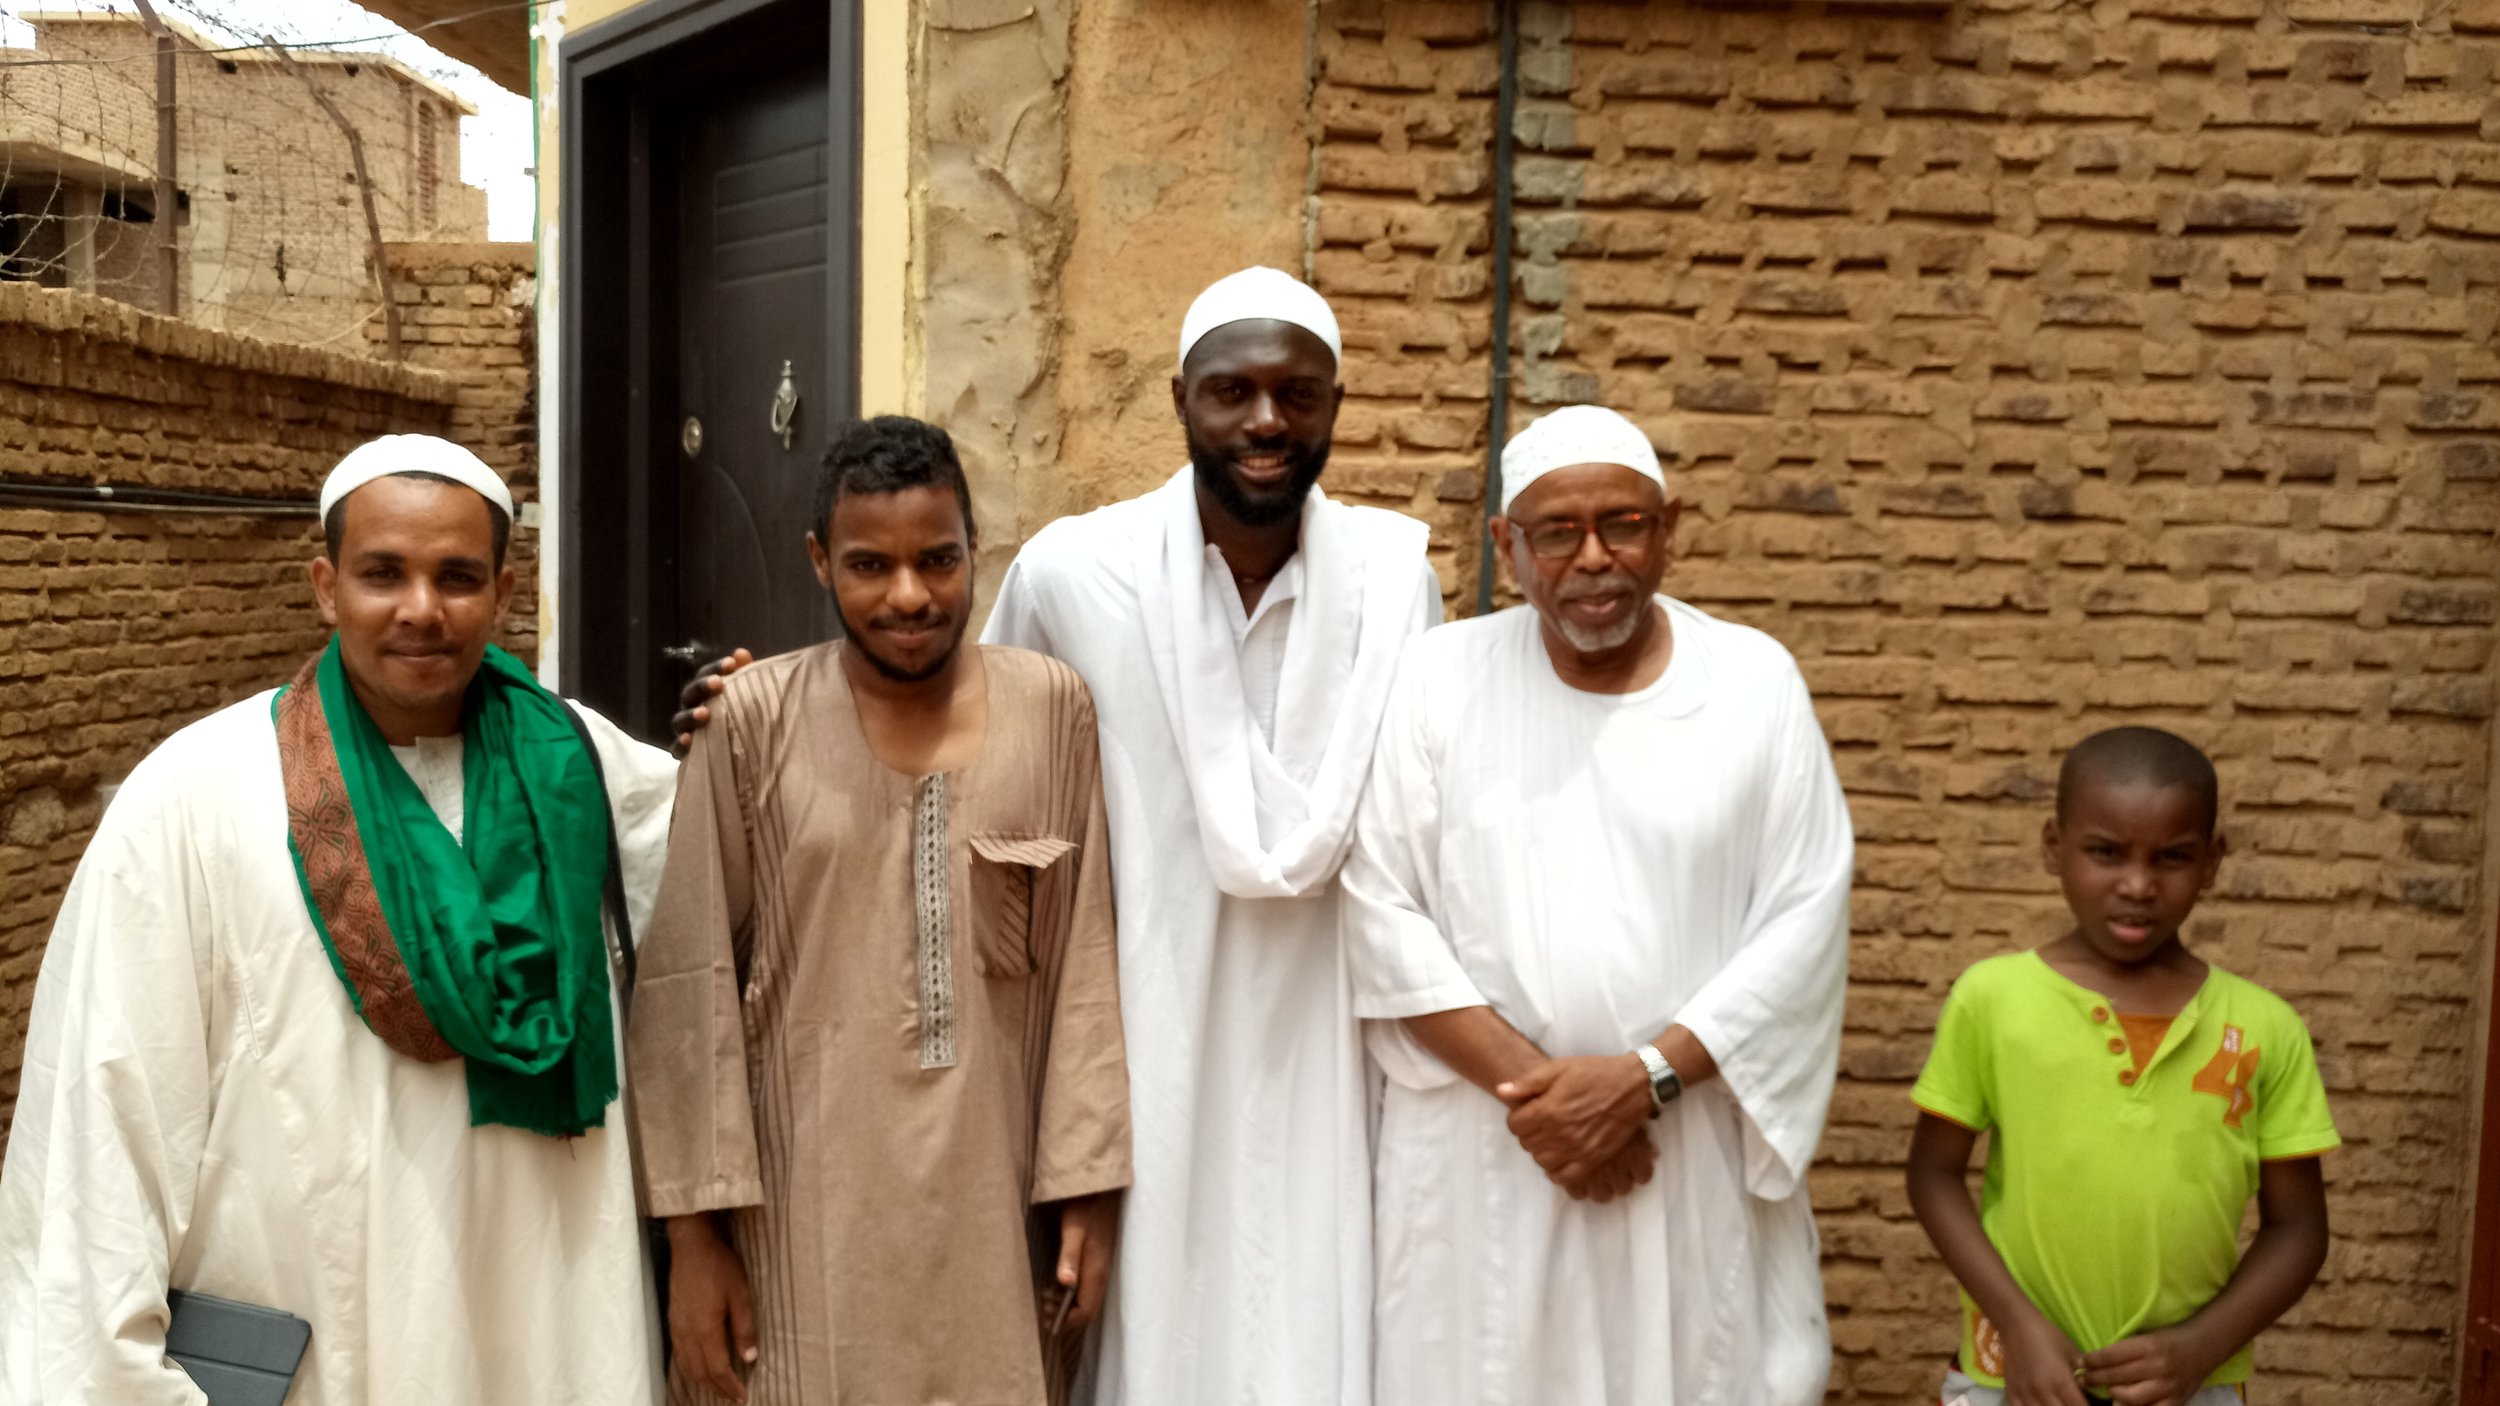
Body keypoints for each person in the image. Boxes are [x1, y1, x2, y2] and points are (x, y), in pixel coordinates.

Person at [0, 435, 678, 1406]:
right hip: (329, 1327)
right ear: (326, 587)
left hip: (555, 1318)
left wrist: (755, 723)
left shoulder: (588, 770)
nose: (421, 608)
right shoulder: (197, 796)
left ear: (504, 592)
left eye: (457, 576)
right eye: (382, 573)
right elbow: (111, 1107)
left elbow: (731, 889)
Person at [977, 267, 1441, 1406]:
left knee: (1323, 1325)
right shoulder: (1072, 573)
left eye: (1298, 392)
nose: (1267, 420)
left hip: (1334, 1046)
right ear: (1181, 398)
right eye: (1234, 390)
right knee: (1157, 1333)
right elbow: (977, 751)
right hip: (1140, 1040)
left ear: (1336, 404)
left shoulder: (1396, 581)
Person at [1340, 404, 1855, 1406]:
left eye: (1622, 525)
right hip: (1488, 1154)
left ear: (1669, 528)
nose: (1592, 558)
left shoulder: (1753, 684)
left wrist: (1642, 1081)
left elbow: (1803, 922)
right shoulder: (1438, 679)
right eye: (1557, 532)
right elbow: (1379, 910)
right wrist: (1550, 1105)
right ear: (1506, 545)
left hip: (1677, 1152)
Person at [629, 416, 1131, 1406]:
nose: (909, 595)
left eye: (938, 558)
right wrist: (693, 1237)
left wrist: (1089, 1184)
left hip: (997, 1220)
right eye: (870, 564)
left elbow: (1085, 958)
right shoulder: (751, 719)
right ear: (821, 560)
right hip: (799, 1224)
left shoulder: (1052, 708)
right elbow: (690, 982)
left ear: (976, 547)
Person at [1905, 727, 2336, 1406]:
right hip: (2016, 1376)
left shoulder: (2264, 1027)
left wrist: (2200, 1347)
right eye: (2106, 852)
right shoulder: (1992, 999)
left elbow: (2299, 1228)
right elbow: (1933, 1175)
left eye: (2172, 857)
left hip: (2187, 1385)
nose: (2138, 885)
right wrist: (2018, 1325)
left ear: (2213, 861)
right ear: (2055, 846)